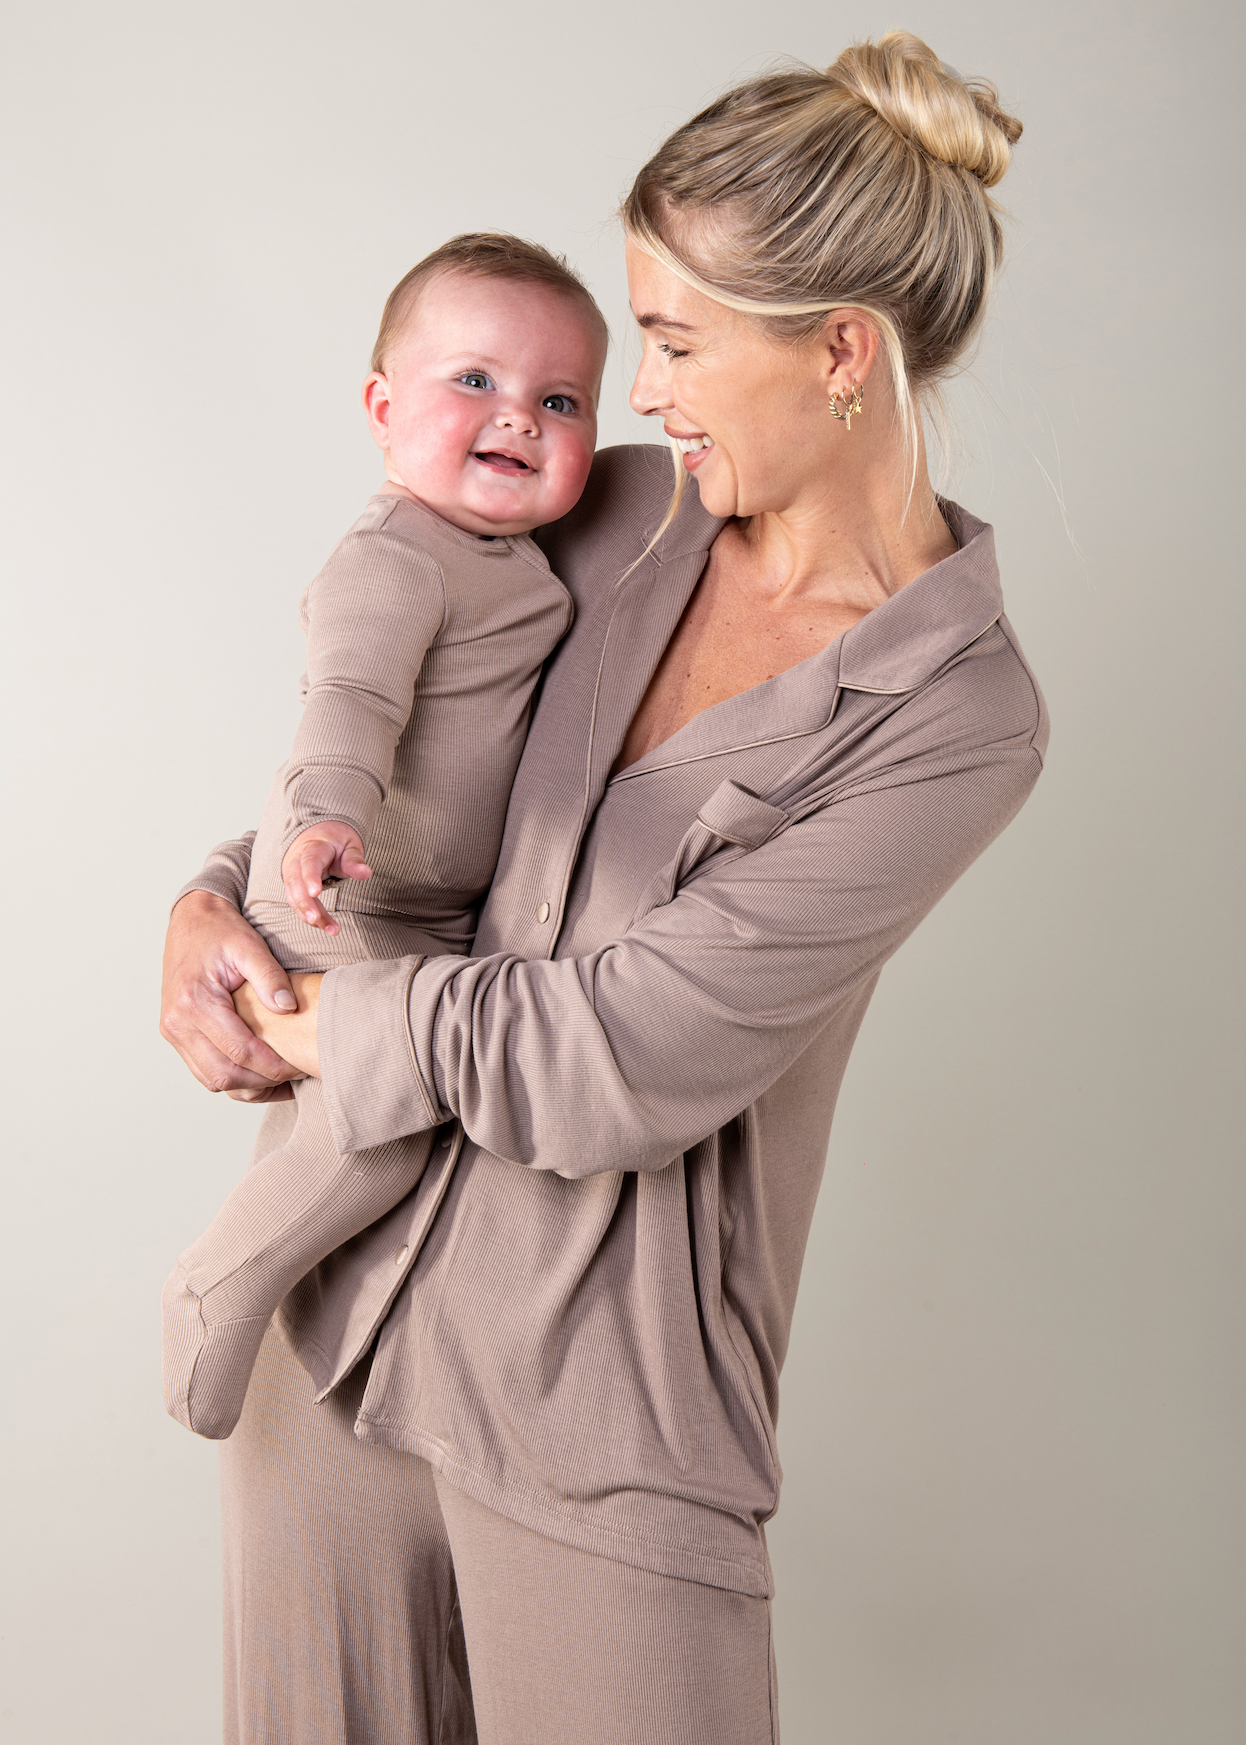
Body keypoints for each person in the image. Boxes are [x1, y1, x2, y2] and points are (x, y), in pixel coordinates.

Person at [161, 33, 1045, 1745]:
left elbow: (626, 1056)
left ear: (843, 355)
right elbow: (413, 777)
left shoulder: (958, 720)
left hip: (608, 1410)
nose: (636, 392)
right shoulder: (614, 514)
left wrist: (335, 1016)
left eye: (679, 340)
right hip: (335, 1312)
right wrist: (211, 901)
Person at [162, 234, 608, 1439]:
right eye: (474, 380)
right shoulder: (394, 555)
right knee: (376, 1131)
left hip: (429, 915)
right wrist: (322, 824)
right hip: (345, 896)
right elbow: (349, 704)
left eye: (559, 400)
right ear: (381, 408)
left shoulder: (512, 558)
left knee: (388, 1119)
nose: (517, 416)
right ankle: (209, 1291)